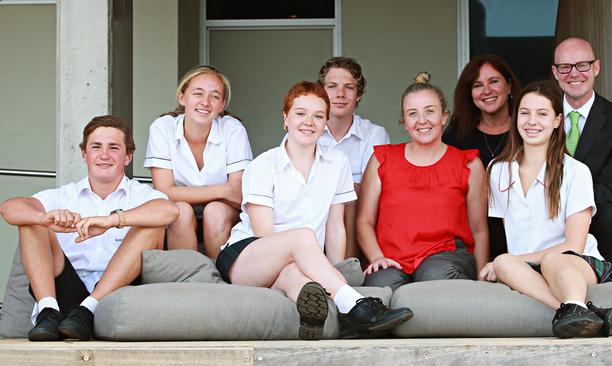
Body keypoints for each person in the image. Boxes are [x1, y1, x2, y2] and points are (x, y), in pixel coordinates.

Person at [215, 81, 413, 340]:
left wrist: (333, 271)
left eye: (318, 116)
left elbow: (335, 227)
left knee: (298, 282)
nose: (309, 121)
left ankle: (326, 320)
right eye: (300, 113)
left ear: (325, 123)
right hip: (246, 258)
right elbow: (265, 235)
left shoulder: (337, 163)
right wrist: (320, 267)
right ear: (285, 118)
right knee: (304, 236)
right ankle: (355, 306)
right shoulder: (264, 165)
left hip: (296, 263)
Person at [0, 116, 179, 341]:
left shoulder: (142, 195)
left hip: (116, 296)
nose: (104, 155)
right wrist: (45, 217)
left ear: (128, 156)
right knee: (31, 222)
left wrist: (112, 220)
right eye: (96, 147)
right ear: (85, 154)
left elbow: (169, 211)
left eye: (114, 148)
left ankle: (87, 310)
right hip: (65, 295)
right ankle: (48, 311)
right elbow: (9, 208)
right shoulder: (65, 195)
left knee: (150, 226)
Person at [480, 80, 612, 339]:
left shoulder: (576, 172)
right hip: (528, 266)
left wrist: (521, 259)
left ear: (556, 121)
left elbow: (573, 245)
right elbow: (499, 236)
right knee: (501, 261)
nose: (532, 121)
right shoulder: (497, 170)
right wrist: (505, 264)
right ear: (515, 118)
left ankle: (576, 306)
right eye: (524, 113)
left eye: (542, 114)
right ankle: (580, 314)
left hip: (577, 262)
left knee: (554, 259)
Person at [356, 72, 489, 291]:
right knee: (381, 286)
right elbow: (364, 222)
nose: (422, 120)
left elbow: (480, 230)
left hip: (447, 256)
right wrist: (377, 258)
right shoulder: (382, 160)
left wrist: (483, 281)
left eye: (430, 111)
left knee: (434, 276)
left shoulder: (469, 164)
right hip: (391, 257)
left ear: (444, 116)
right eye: (412, 114)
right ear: (404, 121)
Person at [145, 65, 253, 259]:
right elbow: (164, 191)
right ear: (182, 97)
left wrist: (187, 193)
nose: (205, 102)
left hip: (224, 212)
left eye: (214, 96)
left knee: (214, 211)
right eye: (198, 93)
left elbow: (238, 193)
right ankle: (188, 279)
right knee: (181, 211)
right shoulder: (162, 128)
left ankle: (219, 279)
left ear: (222, 105)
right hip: (181, 210)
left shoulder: (233, 129)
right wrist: (221, 190)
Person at [552, 37, 612, 280]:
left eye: (582, 65)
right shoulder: (542, 113)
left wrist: (572, 208)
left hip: (593, 210)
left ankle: (607, 286)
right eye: (565, 67)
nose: (574, 73)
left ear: (596, 67)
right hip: (543, 208)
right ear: (555, 73)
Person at [443, 54, 521, 260]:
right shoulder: (456, 134)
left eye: (494, 81)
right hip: (470, 237)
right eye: (477, 85)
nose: (486, 91)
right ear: (470, 94)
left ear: (510, 86)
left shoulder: (528, 128)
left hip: (521, 235)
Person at [316, 57, 390, 260]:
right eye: (332, 86)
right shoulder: (306, 129)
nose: (340, 94)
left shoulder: (374, 134)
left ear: (359, 94)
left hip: (355, 214)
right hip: (313, 211)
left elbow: (368, 190)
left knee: (351, 193)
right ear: (321, 92)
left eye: (349, 87)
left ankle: (346, 271)